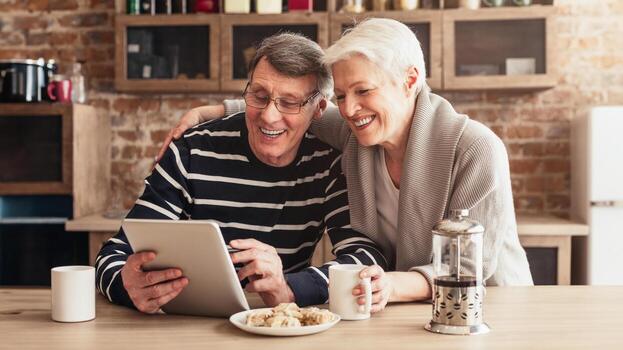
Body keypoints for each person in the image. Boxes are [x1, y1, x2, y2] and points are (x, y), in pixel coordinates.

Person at [158, 18, 534, 313]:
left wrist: (391, 284)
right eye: (341, 95)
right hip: (399, 309)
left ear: (410, 81)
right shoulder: (357, 131)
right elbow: (289, 109)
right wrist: (211, 111)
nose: (350, 109)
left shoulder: (476, 148)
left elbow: (466, 270)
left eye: (364, 91)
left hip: (483, 310)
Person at [96, 33, 387, 314]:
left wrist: (289, 287)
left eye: (289, 103)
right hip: (184, 324)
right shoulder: (192, 151)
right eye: (259, 96)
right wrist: (126, 284)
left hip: (276, 324)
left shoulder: (327, 164)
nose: (269, 116)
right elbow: (113, 254)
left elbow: (364, 259)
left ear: (319, 109)